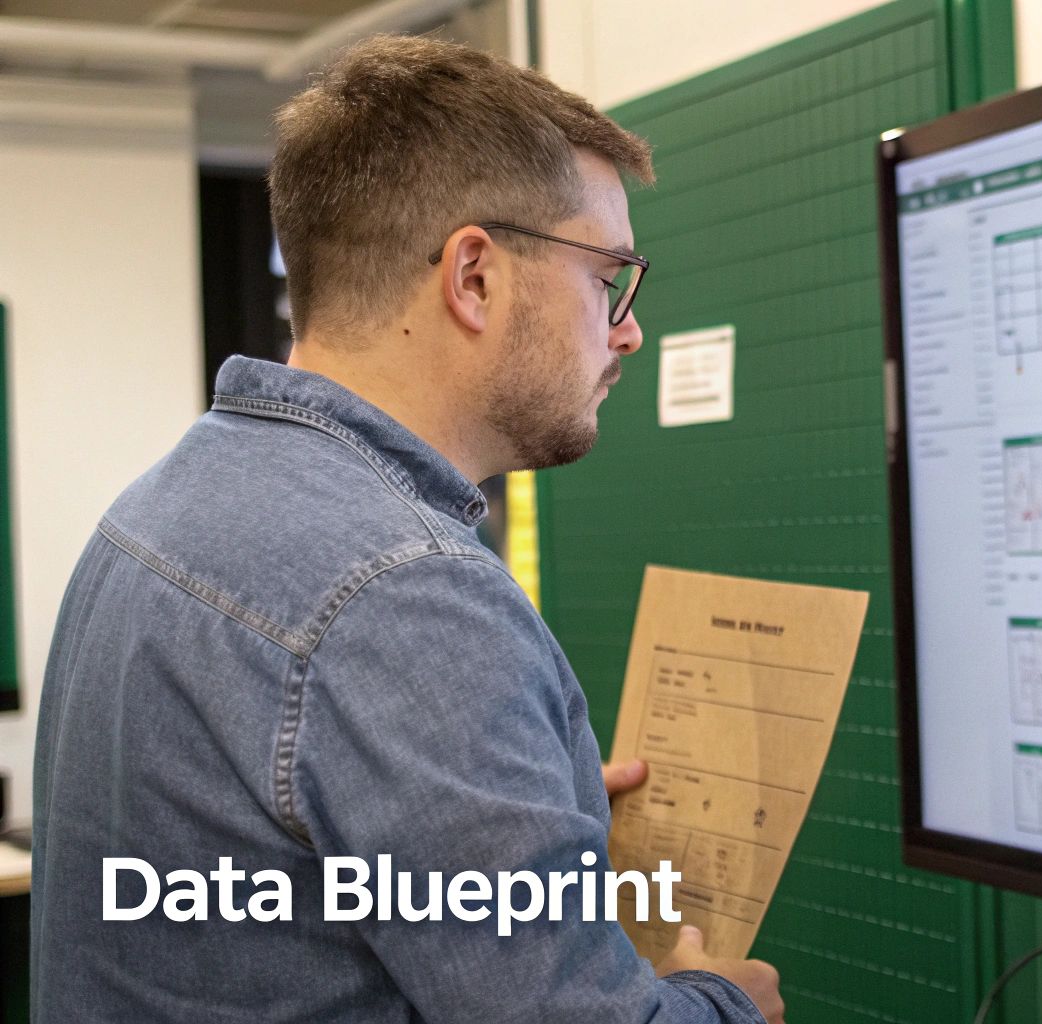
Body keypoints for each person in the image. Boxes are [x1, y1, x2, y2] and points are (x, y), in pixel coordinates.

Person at [30, 33, 782, 1024]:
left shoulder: (162, 503)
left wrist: (499, 813)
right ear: (474, 276)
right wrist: (723, 1002)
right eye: (607, 278)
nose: (626, 328)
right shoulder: (406, 594)